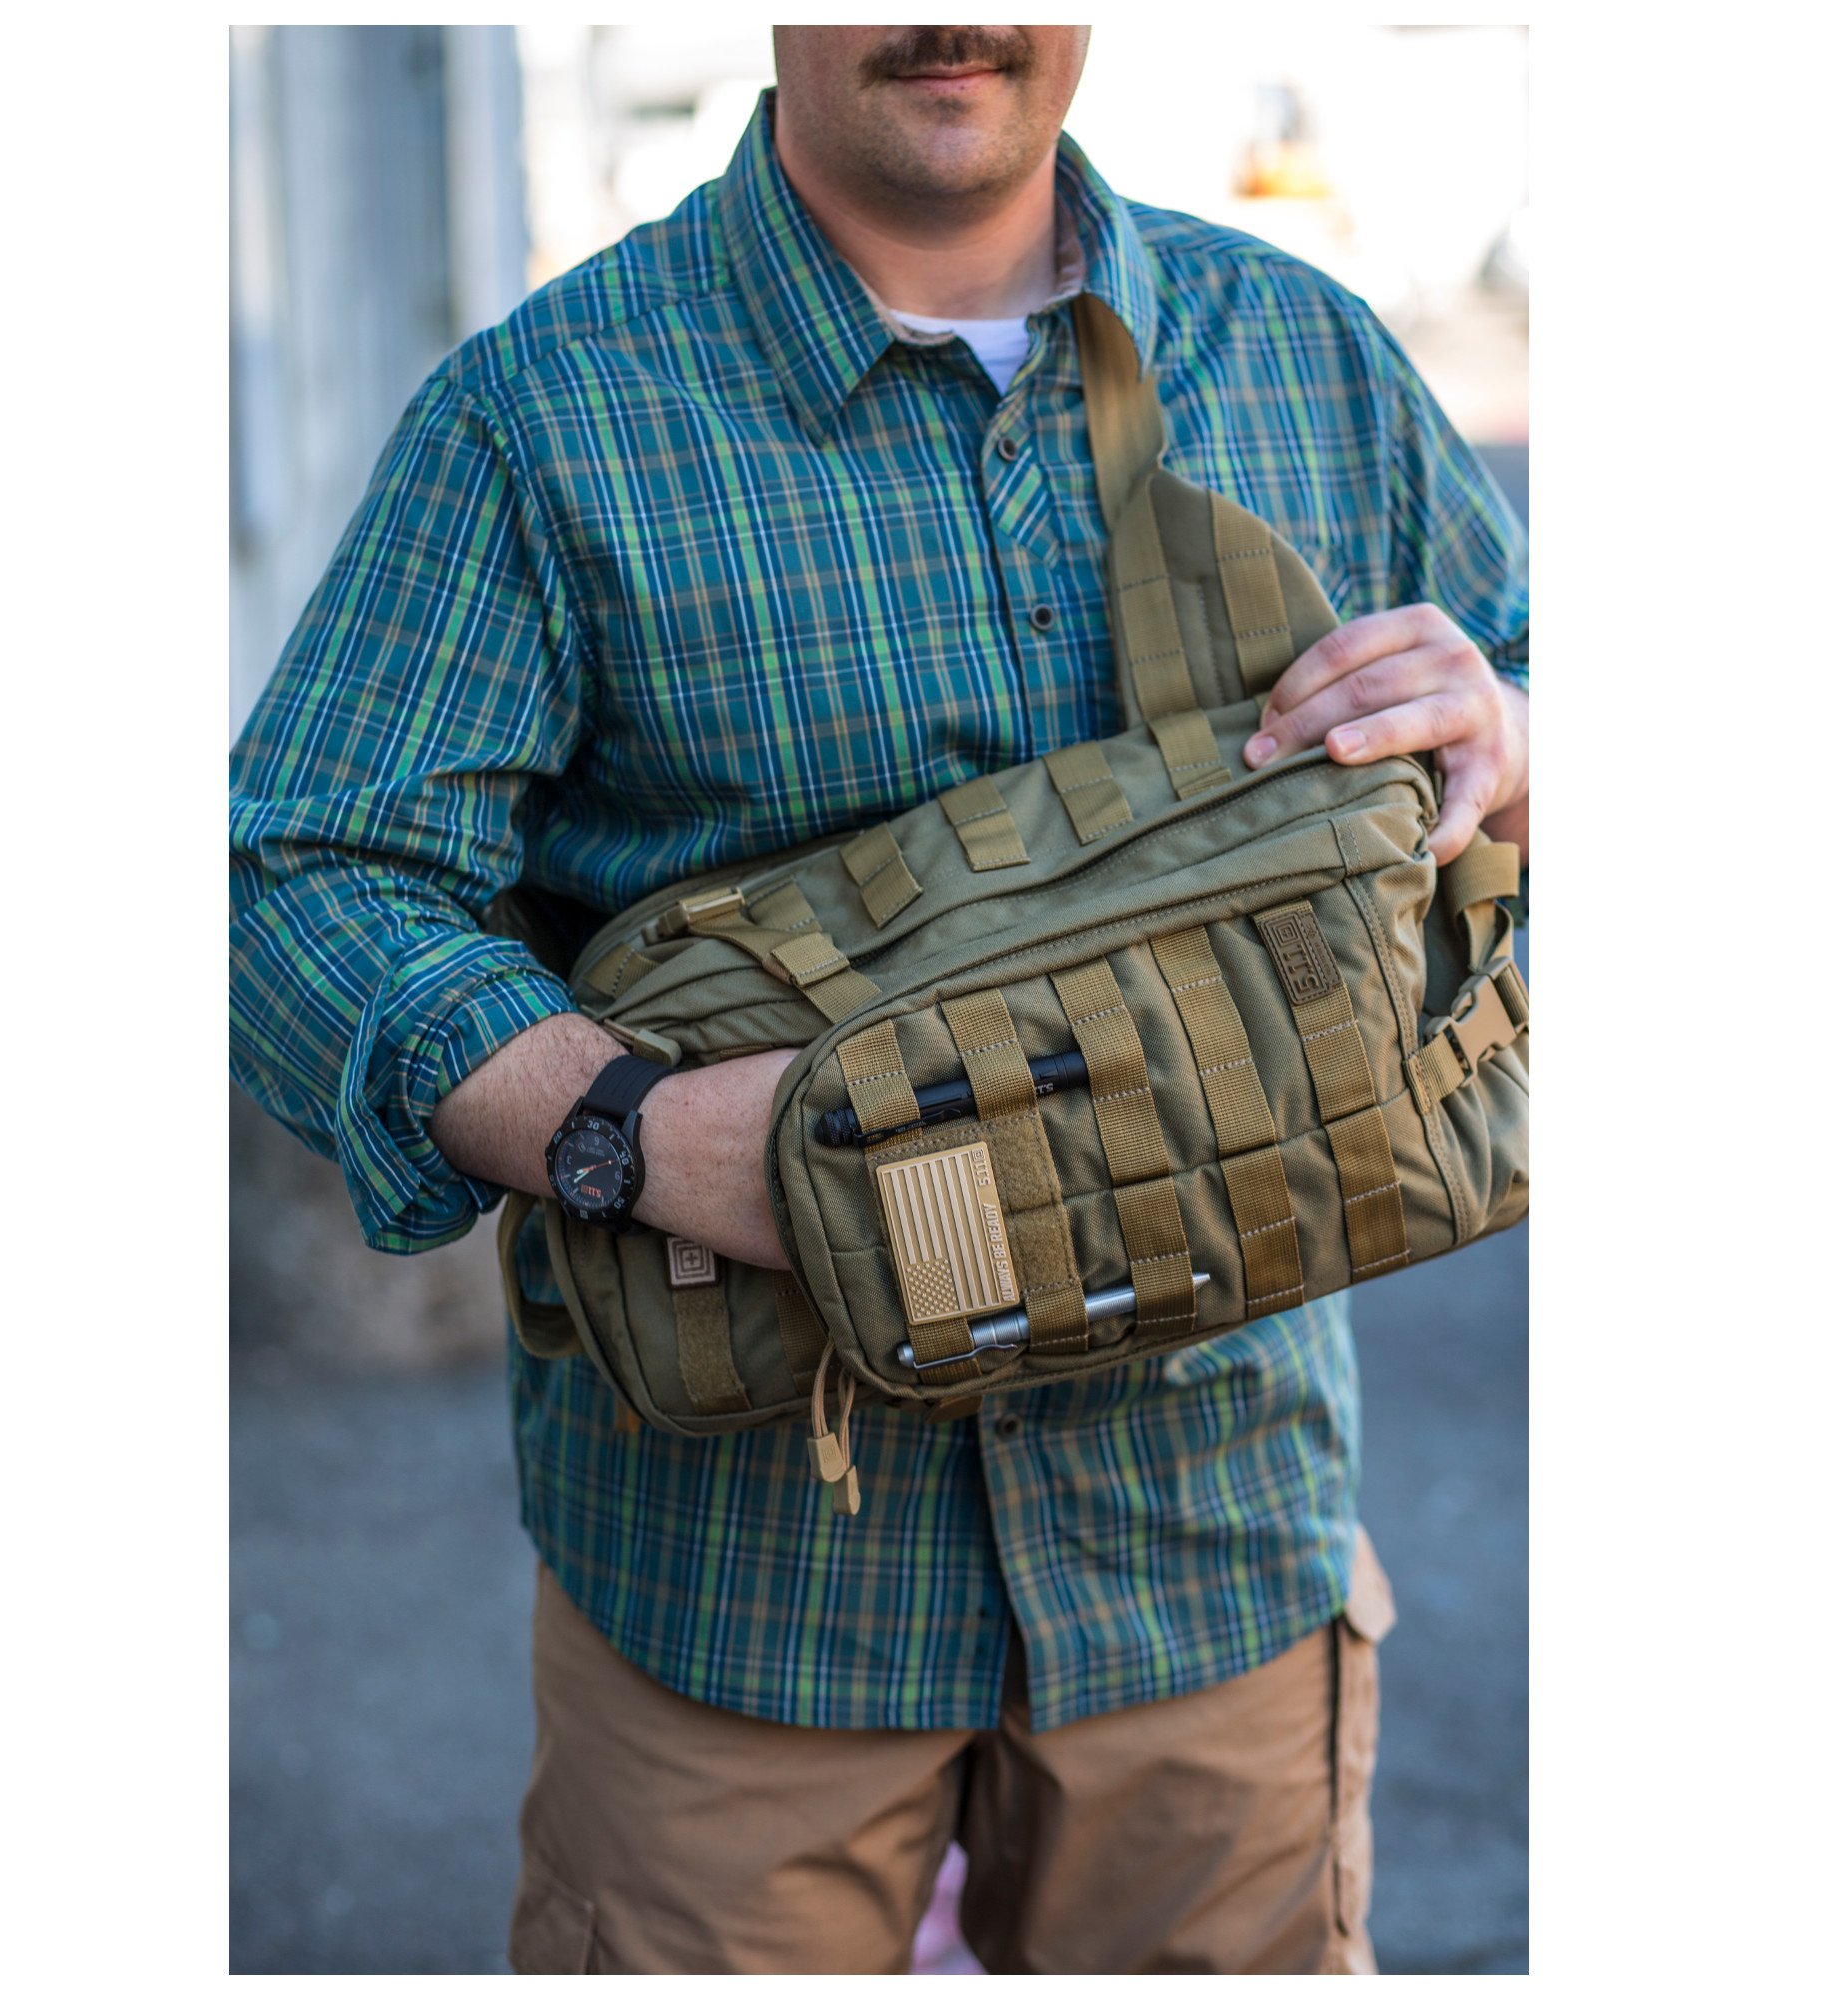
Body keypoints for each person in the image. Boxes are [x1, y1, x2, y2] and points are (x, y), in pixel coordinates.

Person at [229, 24, 1529, 1975]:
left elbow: (1521, 677)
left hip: (1216, 1555)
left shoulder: (1302, 351)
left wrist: (1518, 730)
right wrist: (630, 1135)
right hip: (741, 1601)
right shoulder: (546, 411)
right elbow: (301, 874)